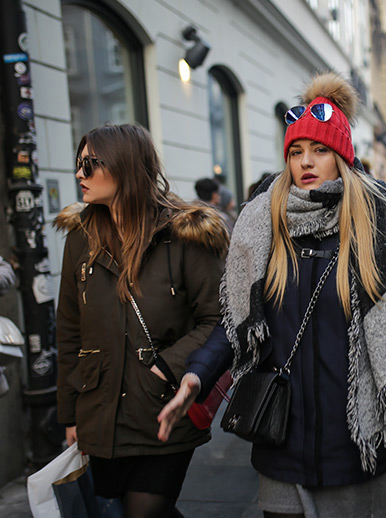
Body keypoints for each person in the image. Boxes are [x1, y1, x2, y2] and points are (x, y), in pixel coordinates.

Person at [158, 73, 386, 517]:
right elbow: (237, 321)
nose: (306, 162)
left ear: (341, 155)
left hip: (363, 455)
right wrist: (196, 377)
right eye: (296, 151)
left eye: (319, 149)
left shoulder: (381, 224)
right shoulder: (263, 225)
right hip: (283, 453)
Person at [55, 124, 229, 518]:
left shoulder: (184, 233)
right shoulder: (80, 238)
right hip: (99, 414)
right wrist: (69, 415)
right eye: (78, 163)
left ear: (125, 166)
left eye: (90, 163)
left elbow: (219, 319)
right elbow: (68, 332)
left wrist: (165, 369)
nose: (79, 173)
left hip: (162, 410)